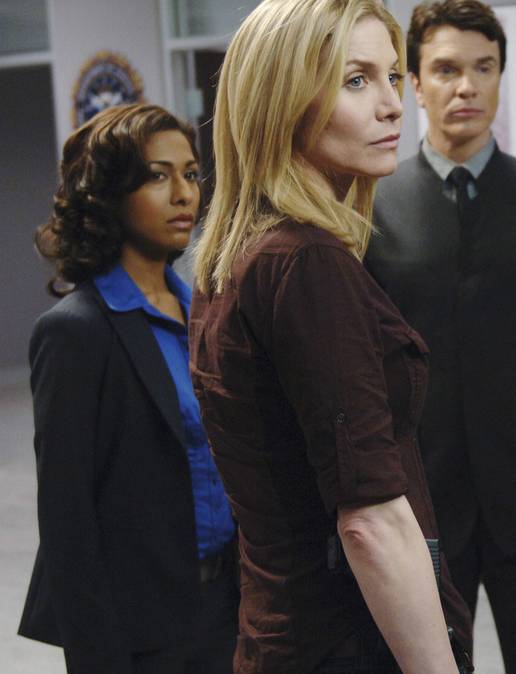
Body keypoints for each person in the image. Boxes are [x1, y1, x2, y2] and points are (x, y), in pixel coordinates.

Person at [188, 1, 471, 672]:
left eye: (393, 76)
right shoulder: (305, 262)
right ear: (281, 100)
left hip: (282, 634)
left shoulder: (236, 257)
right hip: (347, 641)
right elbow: (370, 521)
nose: (392, 105)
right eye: (355, 80)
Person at [364, 1, 516, 669]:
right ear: (414, 83)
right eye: (446, 70)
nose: (466, 86)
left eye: (483, 68)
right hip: (422, 499)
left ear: (500, 76)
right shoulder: (370, 206)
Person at [18, 103, 238, 674]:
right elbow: (67, 522)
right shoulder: (76, 332)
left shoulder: (205, 313)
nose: (184, 194)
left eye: (191, 174)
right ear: (109, 194)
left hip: (230, 613)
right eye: (157, 176)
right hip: (142, 633)